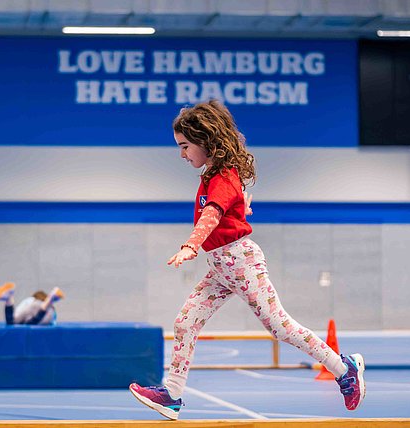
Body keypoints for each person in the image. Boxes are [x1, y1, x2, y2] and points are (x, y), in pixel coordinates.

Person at [129, 100, 365, 420]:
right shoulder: (215, 176)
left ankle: (343, 369)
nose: (182, 154)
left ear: (206, 141)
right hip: (221, 268)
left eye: (185, 146)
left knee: (280, 328)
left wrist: (191, 246)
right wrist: (240, 210)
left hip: (242, 263)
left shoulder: (222, 176)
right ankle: (172, 393)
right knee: (185, 322)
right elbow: (224, 209)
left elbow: (212, 214)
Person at [0, 282, 64, 325]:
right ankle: (50, 298)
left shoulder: (31, 301)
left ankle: (9, 297)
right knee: (33, 321)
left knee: (12, 322)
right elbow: (54, 322)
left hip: (37, 312)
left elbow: (17, 314)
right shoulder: (52, 309)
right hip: (48, 314)